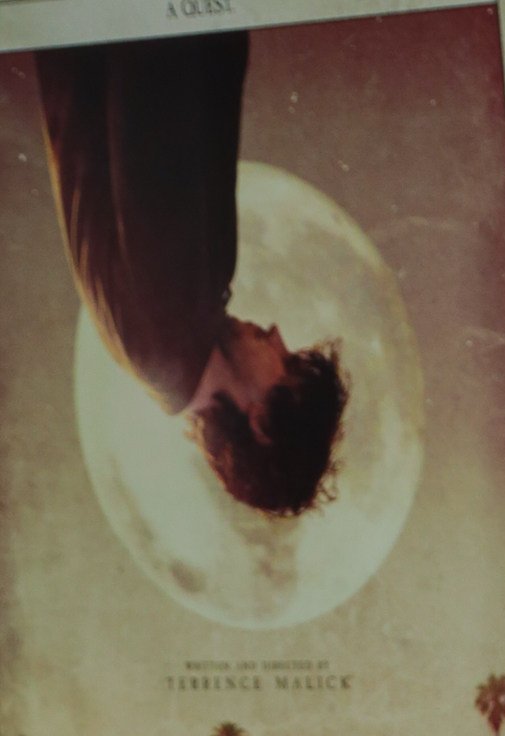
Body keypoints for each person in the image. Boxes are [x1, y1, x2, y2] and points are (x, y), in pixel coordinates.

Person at [35, 33, 348, 519]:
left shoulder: (169, 327)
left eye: (286, 367)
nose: (278, 337)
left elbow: (154, 77)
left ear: (261, 421)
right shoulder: (174, 344)